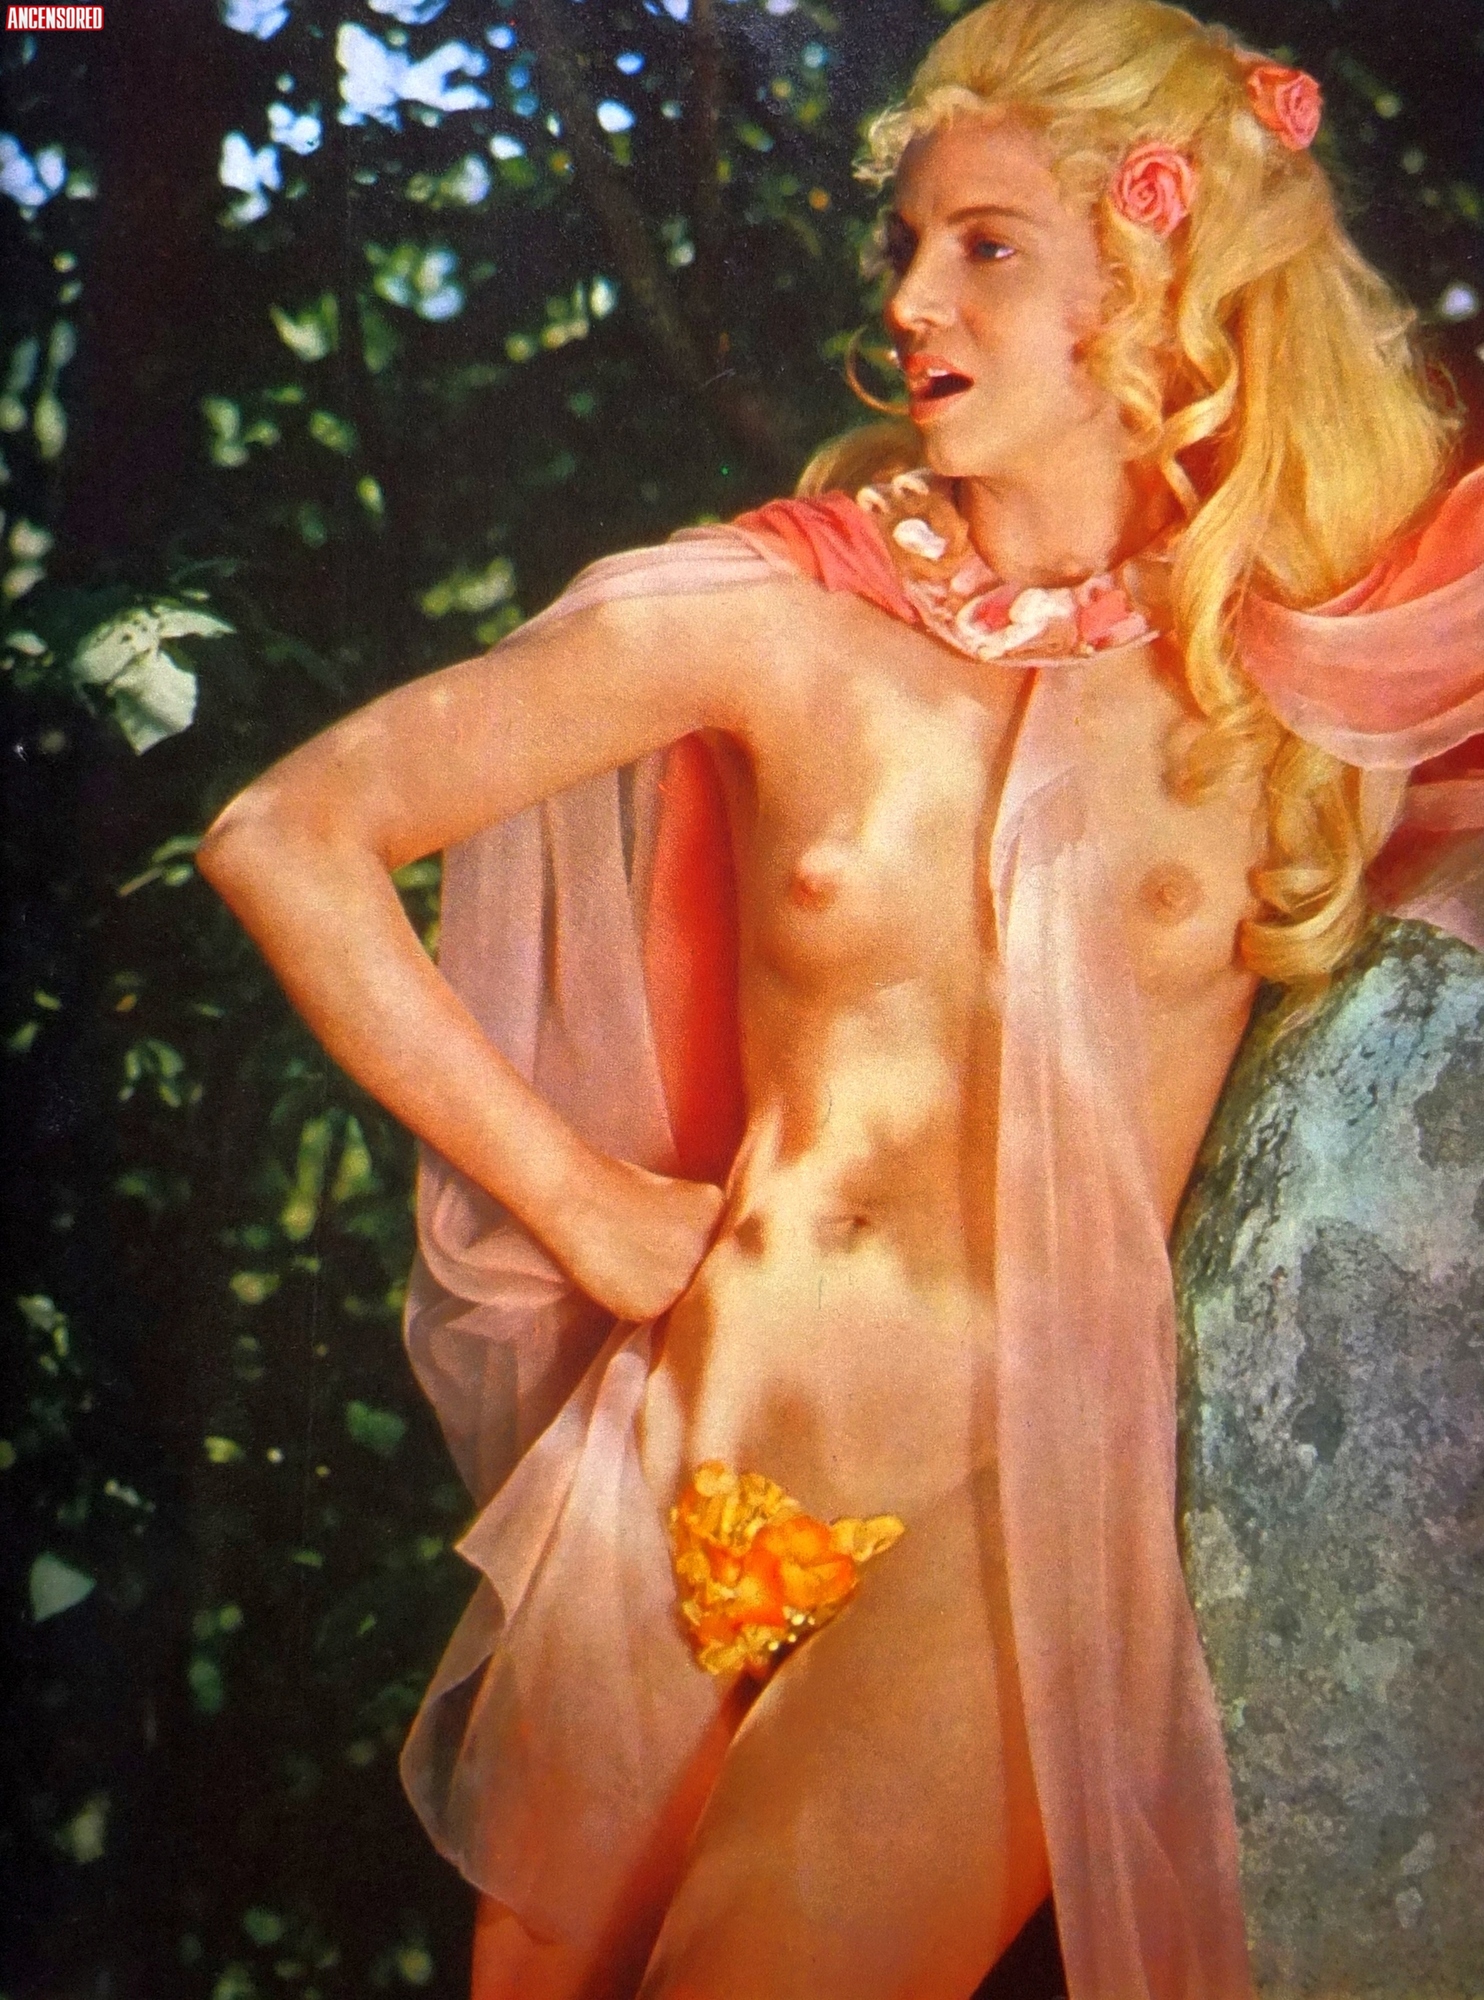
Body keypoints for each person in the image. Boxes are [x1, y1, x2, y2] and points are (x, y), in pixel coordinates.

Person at [199, 1, 1484, 1995]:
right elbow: (286, 831)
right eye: (905, 243)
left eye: (985, 245)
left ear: (1160, 275)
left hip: (1006, 1509)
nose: (908, 299)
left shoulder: (1296, 660)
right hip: (685, 1464)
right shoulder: (775, 611)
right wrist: (586, 1205)